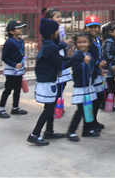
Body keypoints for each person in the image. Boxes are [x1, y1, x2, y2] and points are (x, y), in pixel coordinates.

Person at [27, 18, 73, 146]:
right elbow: (61, 65)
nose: (58, 32)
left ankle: (49, 131)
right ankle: (34, 134)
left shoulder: (48, 45)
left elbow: (59, 58)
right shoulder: (50, 47)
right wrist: (75, 60)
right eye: (56, 30)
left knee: (50, 108)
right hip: (47, 82)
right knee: (48, 109)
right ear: (52, 33)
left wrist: (71, 58)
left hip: (47, 81)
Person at [66, 32, 101, 141]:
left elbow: (92, 69)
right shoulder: (77, 55)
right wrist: (83, 64)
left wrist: (99, 70)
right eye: (80, 42)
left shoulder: (89, 54)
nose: (82, 44)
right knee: (80, 110)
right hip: (81, 87)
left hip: (89, 86)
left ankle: (87, 129)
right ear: (76, 44)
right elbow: (75, 70)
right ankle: (71, 131)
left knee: (89, 108)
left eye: (85, 42)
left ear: (89, 43)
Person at [0, 20, 28, 118]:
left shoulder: (21, 41)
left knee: (17, 89)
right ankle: (0, 109)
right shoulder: (9, 42)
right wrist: (14, 64)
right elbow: (4, 57)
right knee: (8, 89)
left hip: (19, 70)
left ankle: (15, 108)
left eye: (21, 27)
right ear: (11, 31)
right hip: (11, 70)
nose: (21, 29)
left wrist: (23, 65)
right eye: (18, 28)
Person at [84, 15, 107, 131]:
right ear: (86, 28)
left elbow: (100, 54)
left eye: (95, 27)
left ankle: (94, 120)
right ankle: (89, 123)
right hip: (91, 74)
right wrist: (97, 63)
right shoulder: (85, 41)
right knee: (92, 99)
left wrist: (102, 61)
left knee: (99, 97)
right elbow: (88, 56)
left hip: (99, 73)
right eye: (90, 27)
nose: (93, 29)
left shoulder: (98, 40)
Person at [101, 21, 115, 109]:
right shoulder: (109, 41)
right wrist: (114, 63)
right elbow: (106, 55)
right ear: (110, 32)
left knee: (110, 86)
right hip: (108, 69)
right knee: (110, 87)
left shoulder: (114, 41)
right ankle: (109, 105)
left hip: (110, 69)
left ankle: (106, 104)